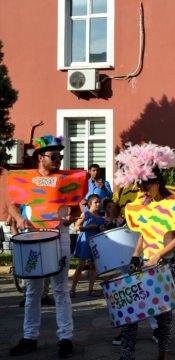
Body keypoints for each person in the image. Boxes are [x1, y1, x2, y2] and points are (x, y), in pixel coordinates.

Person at [8, 135, 86, 358]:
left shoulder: (67, 179)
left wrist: (74, 216)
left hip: (58, 234)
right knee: (33, 290)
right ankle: (29, 337)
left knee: (61, 288)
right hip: (33, 236)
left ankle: (65, 339)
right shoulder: (25, 179)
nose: (59, 160)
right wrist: (19, 219)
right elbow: (12, 204)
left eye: (60, 156)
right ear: (40, 157)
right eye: (54, 156)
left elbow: (78, 209)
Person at [114, 142, 175, 360]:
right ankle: (127, 355)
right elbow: (141, 236)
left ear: (157, 182)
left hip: (164, 264)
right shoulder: (140, 204)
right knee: (131, 311)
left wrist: (159, 255)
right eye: (140, 186)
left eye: (147, 186)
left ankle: (162, 353)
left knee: (164, 314)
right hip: (144, 262)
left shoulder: (173, 203)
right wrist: (136, 256)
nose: (143, 190)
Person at [70, 194, 104, 298]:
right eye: (95, 202)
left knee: (94, 266)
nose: (98, 204)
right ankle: (72, 289)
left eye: (99, 202)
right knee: (80, 266)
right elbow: (76, 227)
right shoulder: (86, 214)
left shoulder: (101, 218)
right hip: (85, 241)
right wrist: (89, 227)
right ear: (89, 204)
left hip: (95, 243)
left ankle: (91, 289)